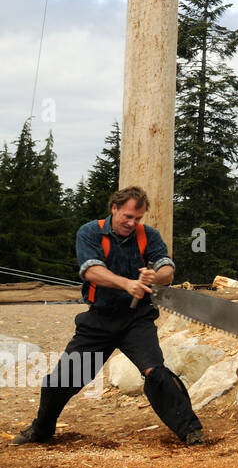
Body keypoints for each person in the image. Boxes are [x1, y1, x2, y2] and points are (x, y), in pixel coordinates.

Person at [9, 186, 206, 447]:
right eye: (127, 216)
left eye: (137, 218)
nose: (132, 223)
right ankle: (41, 429)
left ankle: (191, 432)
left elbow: (167, 269)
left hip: (137, 320)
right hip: (99, 319)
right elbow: (91, 271)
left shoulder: (148, 235)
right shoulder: (90, 232)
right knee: (63, 379)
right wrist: (126, 284)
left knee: (156, 373)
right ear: (114, 208)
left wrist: (154, 277)